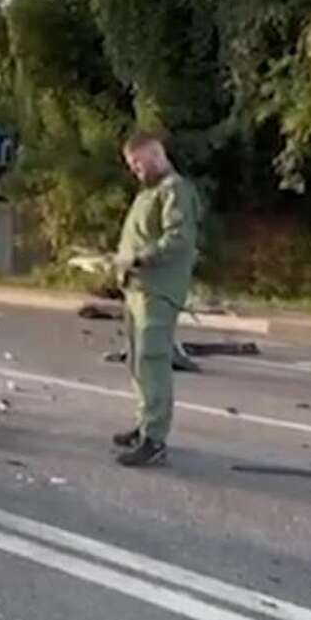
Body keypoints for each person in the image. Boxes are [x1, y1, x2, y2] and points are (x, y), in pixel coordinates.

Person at [110, 131, 201, 467]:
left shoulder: (174, 190)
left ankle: (155, 439)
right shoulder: (148, 194)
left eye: (137, 163)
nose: (134, 170)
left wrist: (140, 258)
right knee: (137, 360)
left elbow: (177, 239)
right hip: (137, 289)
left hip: (157, 290)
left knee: (152, 359)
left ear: (156, 154)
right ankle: (144, 423)